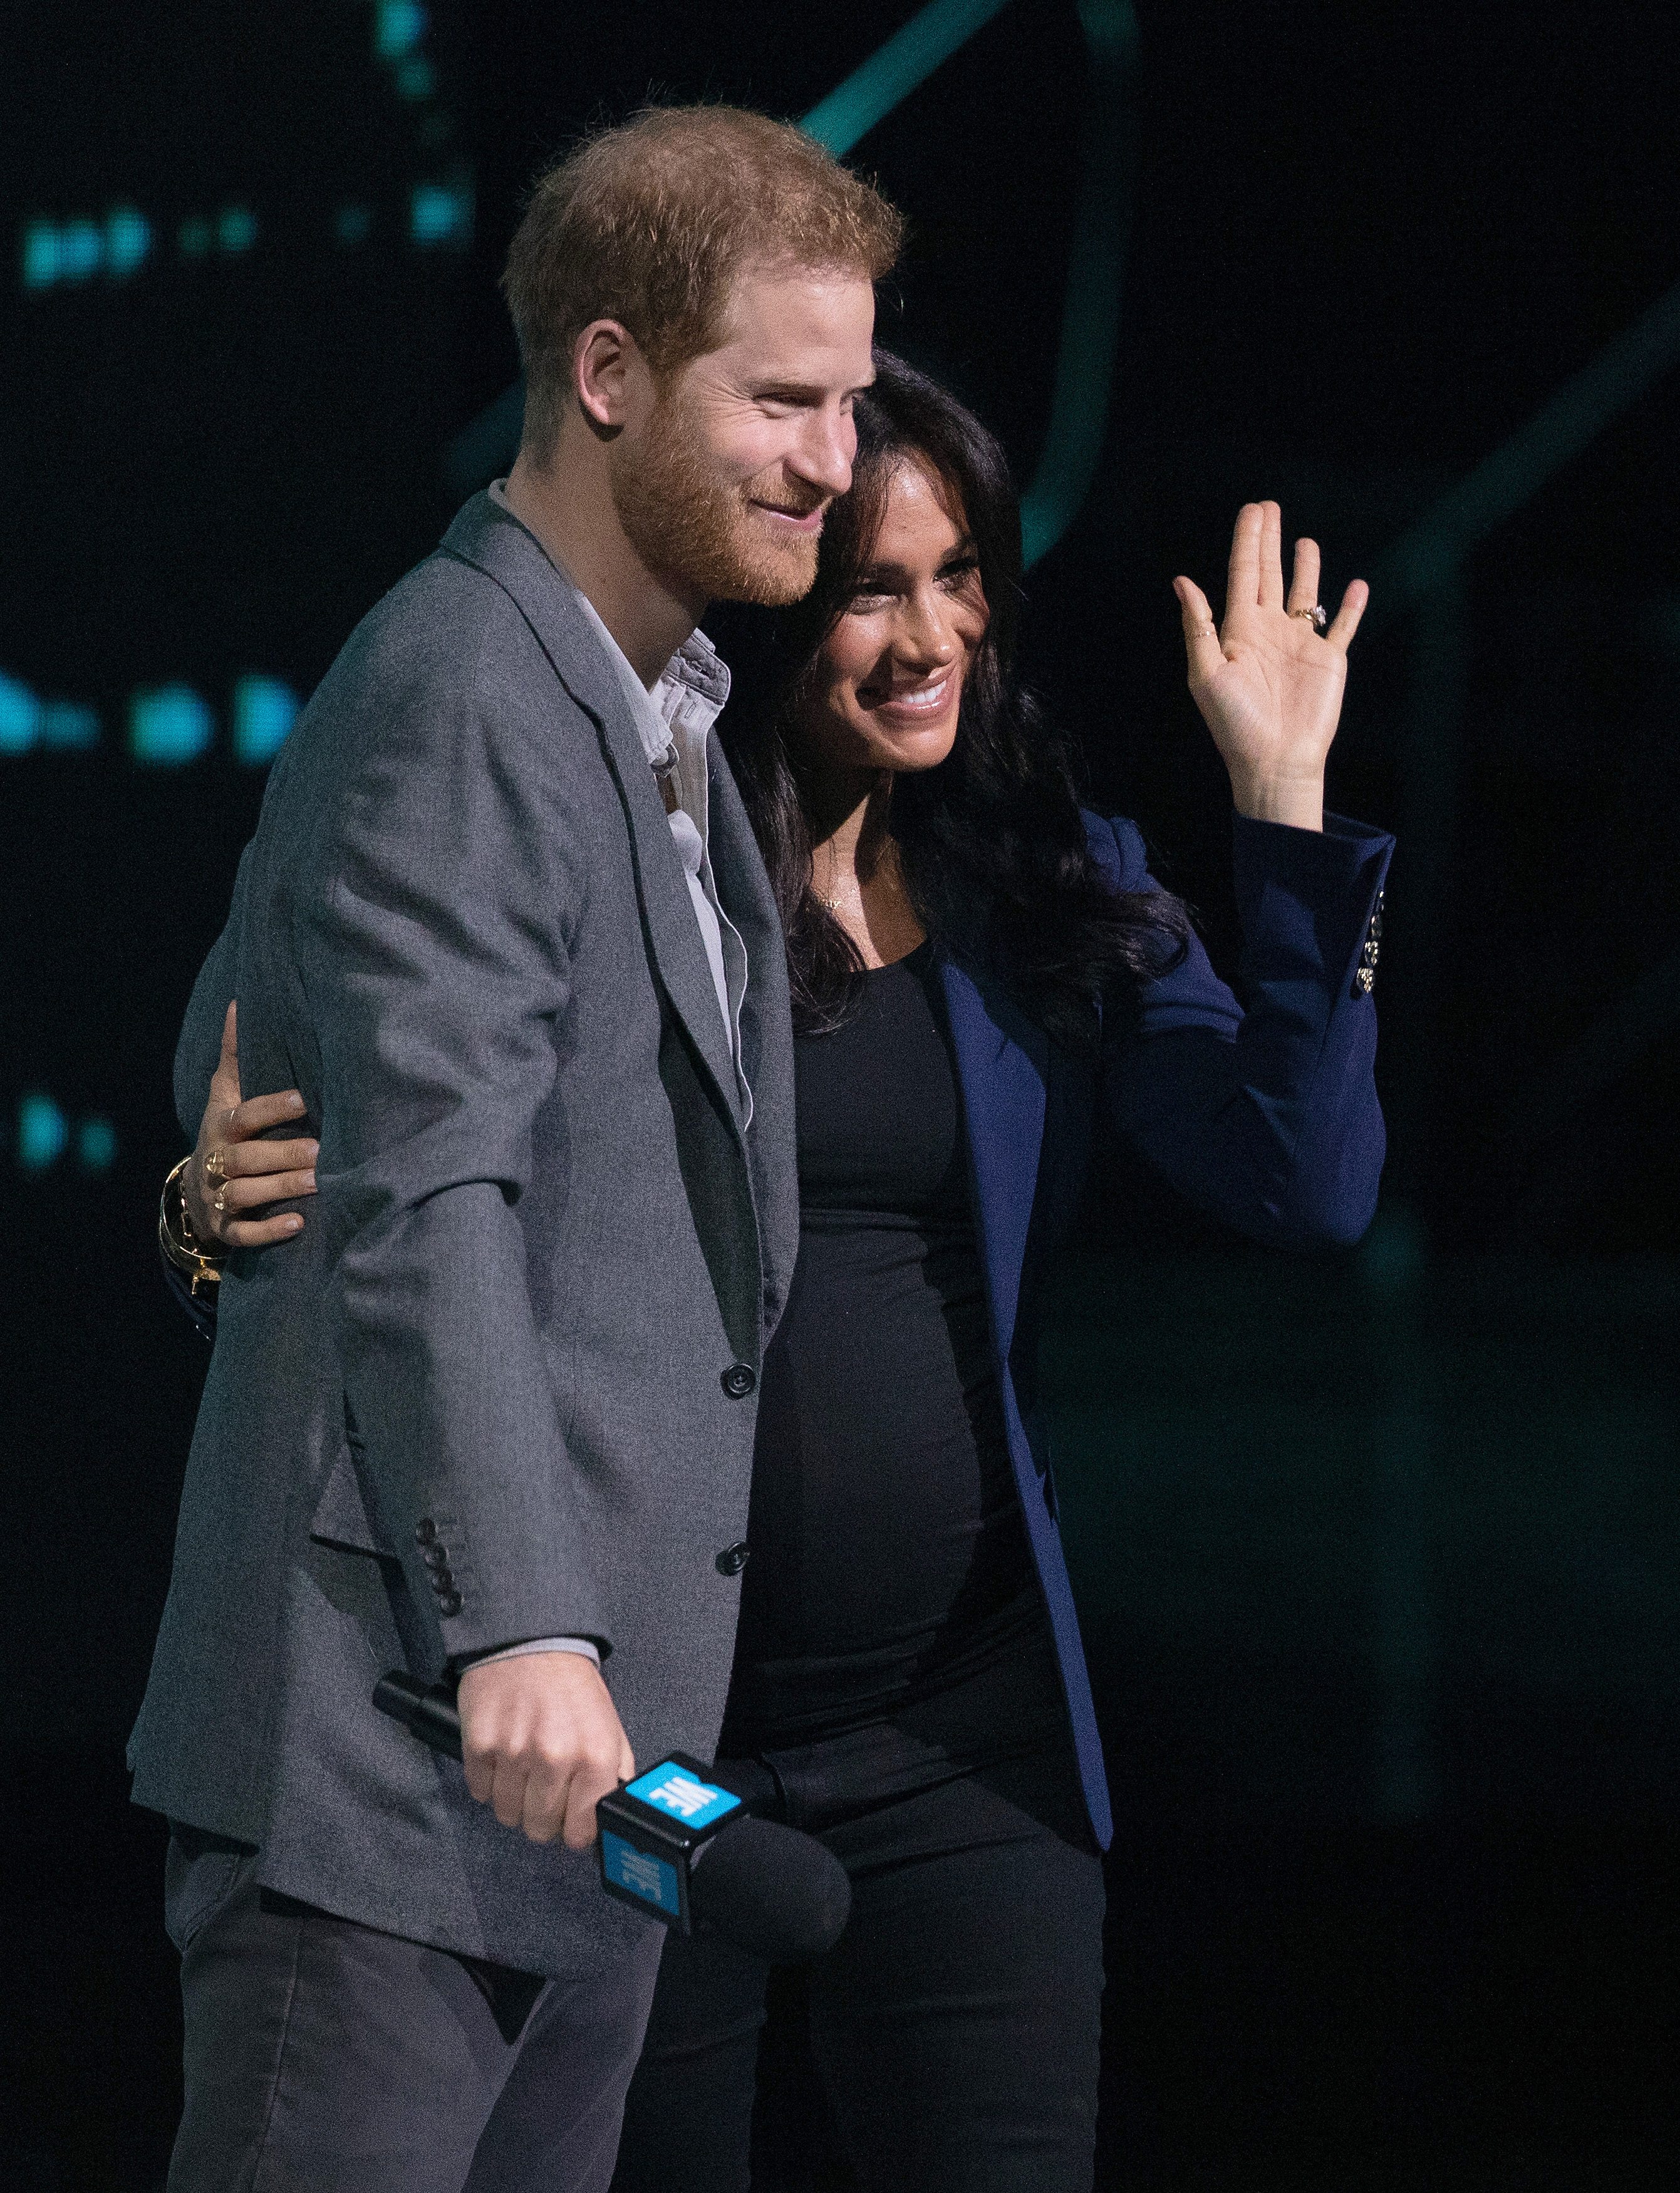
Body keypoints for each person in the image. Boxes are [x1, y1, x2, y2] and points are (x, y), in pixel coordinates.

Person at [184, 355, 1392, 2190]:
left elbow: (1303, 1184)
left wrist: (1283, 800)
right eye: (868, 590)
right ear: (764, 606)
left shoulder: (1040, 881)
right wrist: (203, 1205)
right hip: (655, 1754)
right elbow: (365, 1167)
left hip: (962, 1745)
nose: (931, 637)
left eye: (961, 574)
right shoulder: (617, 871)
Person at [133, 106, 901, 2193]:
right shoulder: (465, 678)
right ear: (608, 371)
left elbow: (260, 1008)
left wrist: (216, 1151)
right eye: (783, 395)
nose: (834, 458)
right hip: (403, 1754)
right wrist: (523, 1630)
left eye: (848, 399)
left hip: (575, 1782)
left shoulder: (647, 705)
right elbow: (426, 1190)